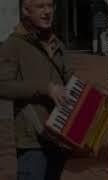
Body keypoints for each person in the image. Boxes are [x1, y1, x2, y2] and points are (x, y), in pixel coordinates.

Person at [0, 0, 74, 179]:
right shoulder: (13, 44)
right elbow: (3, 85)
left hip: (59, 135)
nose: (47, 11)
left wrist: (92, 91)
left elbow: (70, 77)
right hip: (32, 141)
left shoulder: (57, 43)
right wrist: (46, 88)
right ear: (26, 10)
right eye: (40, 6)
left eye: (50, 6)